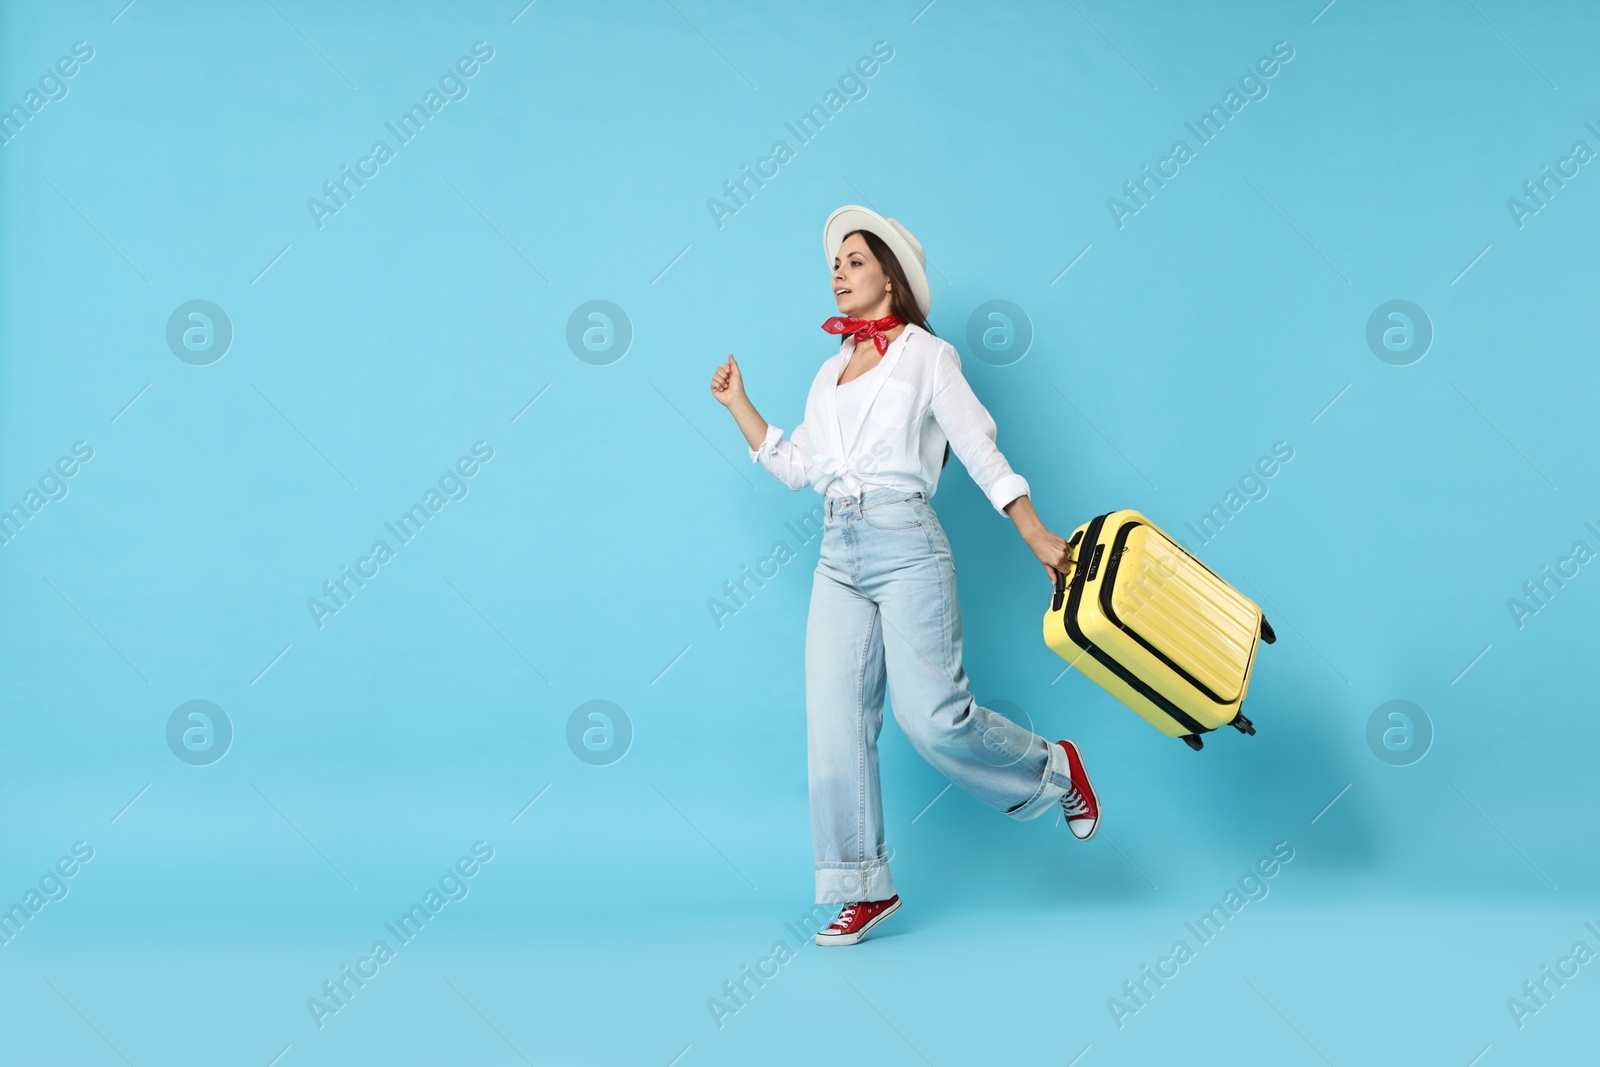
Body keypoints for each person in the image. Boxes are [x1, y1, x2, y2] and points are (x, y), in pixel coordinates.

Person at [709, 205, 1101, 947]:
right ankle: (865, 886)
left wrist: (1032, 530)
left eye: (854, 260)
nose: (839, 272)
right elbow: (800, 468)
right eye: (834, 263)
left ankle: (1055, 769)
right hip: (836, 551)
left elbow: (978, 447)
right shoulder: (828, 374)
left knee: (935, 721)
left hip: (905, 541)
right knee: (832, 723)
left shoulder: (928, 355)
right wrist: (740, 406)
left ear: (890, 276)